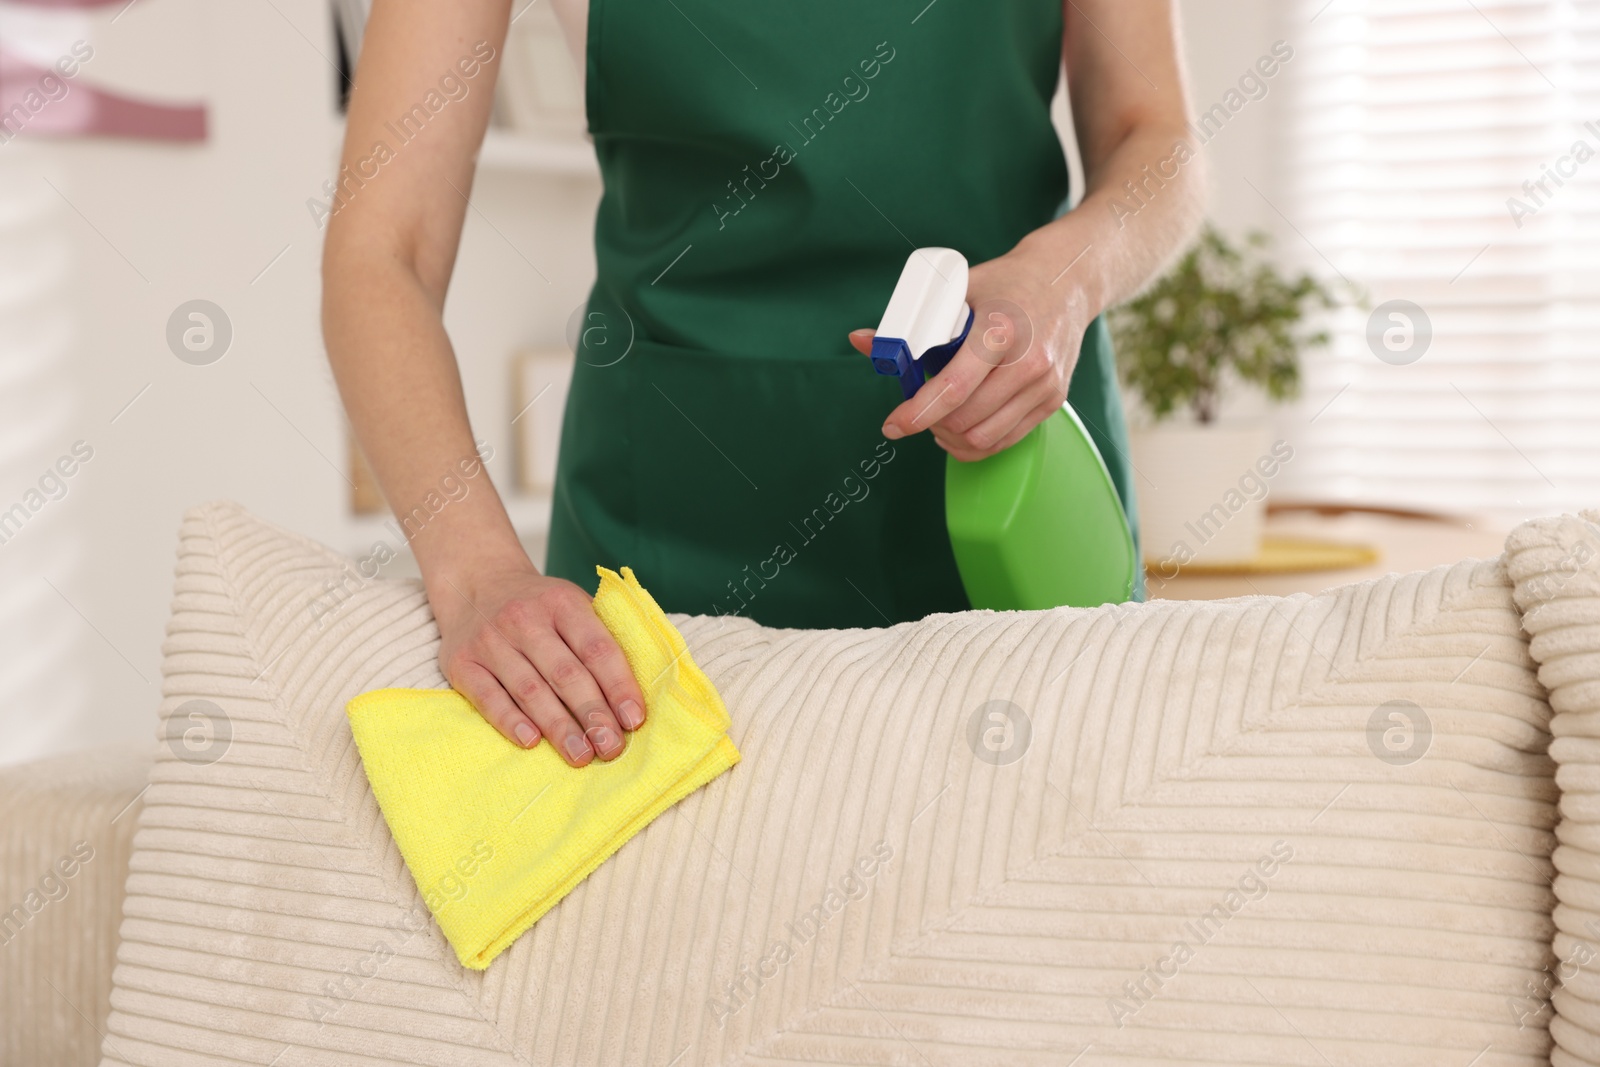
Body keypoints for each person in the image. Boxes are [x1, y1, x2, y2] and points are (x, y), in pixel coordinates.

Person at [322, 0, 1204, 769]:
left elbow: (1155, 136)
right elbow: (380, 253)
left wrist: (1067, 278)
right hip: (676, 520)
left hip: (1013, 488)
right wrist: (475, 570)